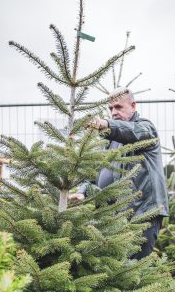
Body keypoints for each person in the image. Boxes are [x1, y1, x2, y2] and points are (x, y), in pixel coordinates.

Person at [69, 89, 169, 259]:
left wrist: (107, 124)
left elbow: (132, 131)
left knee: (132, 269)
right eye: (110, 109)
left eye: (118, 107)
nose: (113, 112)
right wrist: (82, 191)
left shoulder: (145, 128)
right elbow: (97, 174)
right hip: (114, 217)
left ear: (133, 106)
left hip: (142, 214)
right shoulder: (109, 142)